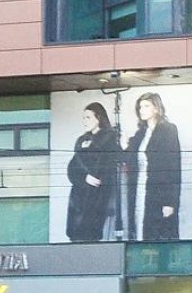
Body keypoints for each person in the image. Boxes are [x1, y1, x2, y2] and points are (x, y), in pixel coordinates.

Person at [124, 92, 181, 240]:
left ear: (156, 108)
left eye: (146, 106)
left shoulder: (168, 130)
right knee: (139, 228)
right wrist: (125, 146)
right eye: (140, 107)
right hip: (139, 189)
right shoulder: (140, 134)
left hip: (158, 192)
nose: (142, 110)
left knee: (158, 231)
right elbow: (129, 161)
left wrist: (170, 202)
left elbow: (173, 167)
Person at [66, 102, 120, 242]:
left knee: (90, 235)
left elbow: (104, 166)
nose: (84, 121)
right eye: (83, 118)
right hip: (78, 196)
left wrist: (86, 151)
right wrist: (84, 178)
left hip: (96, 197)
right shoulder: (82, 140)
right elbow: (72, 168)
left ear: (99, 118)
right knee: (76, 236)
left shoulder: (109, 139)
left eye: (88, 117)